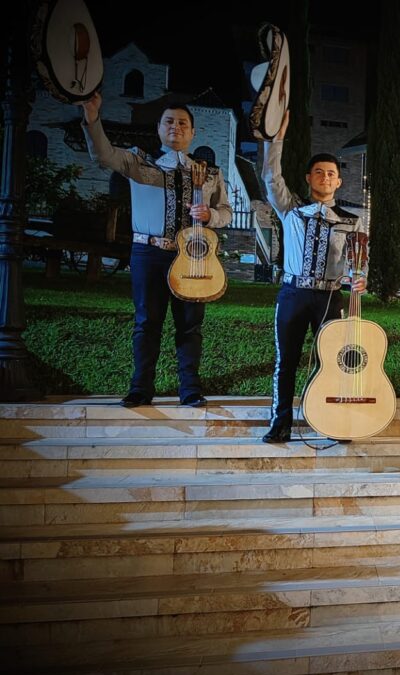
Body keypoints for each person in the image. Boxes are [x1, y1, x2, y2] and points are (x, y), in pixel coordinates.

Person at [81, 93, 232, 408]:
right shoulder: (140, 164)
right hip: (149, 253)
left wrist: (211, 217)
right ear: (159, 129)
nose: (175, 127)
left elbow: (226, 212)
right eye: (169, 122)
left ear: (192, 133)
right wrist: (93, 119)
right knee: (147, 321)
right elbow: (103, 155)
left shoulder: (210, 174)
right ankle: (140, 389)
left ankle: (190, 390)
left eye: (182, 123)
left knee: (190, 324)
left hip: (192, 258)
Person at [261, 111, 367, 443]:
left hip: (330, 297)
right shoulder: (291, 209)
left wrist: (359, 277)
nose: (325, 177)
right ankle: (281, 423)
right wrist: (276, 138)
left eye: (331, 173)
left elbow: (358, 262)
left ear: (339, 181)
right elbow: (270, 176)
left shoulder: (352, 220)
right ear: (309, 178)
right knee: (287, 360)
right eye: (318, 172)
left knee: (335, 363)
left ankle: (334, 422)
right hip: (294, 293)